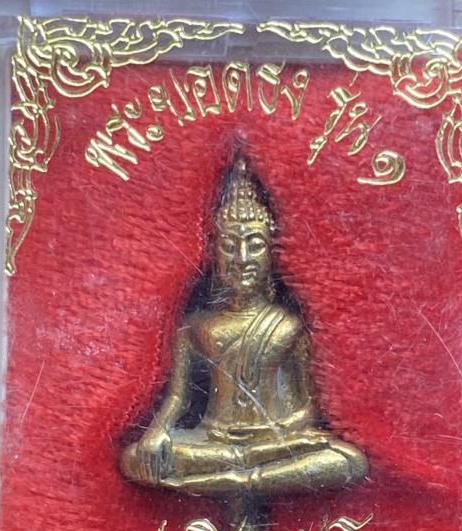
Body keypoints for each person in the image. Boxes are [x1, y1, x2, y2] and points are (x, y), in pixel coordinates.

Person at [121, 156, 368, 498]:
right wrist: (157, 432)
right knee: (135, 458)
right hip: (213, 441)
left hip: (276, 442)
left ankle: (238, 478)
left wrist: (283, 435)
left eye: (254, 245)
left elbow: (307, 405)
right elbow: (178, 397)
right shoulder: (196, 326)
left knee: (349, 461)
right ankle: (246, 472)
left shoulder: (288, 325)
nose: (241, 258)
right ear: (214, 254)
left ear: (271, 254)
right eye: (229, 246)